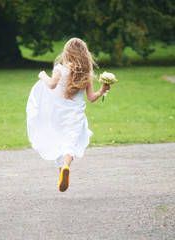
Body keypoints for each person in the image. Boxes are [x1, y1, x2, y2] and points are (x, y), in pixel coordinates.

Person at [26, 38, 110, 192]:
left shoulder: (59, 68)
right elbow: (91, 98)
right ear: (85, 53)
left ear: (66, 52)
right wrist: (102, 90)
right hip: (75, 115)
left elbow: (51, 84)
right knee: (69, 144)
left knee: (58, 141)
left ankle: (62, 175)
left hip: (57, 114)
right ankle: (66, 166)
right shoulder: (87, 73)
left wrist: (42, 75)